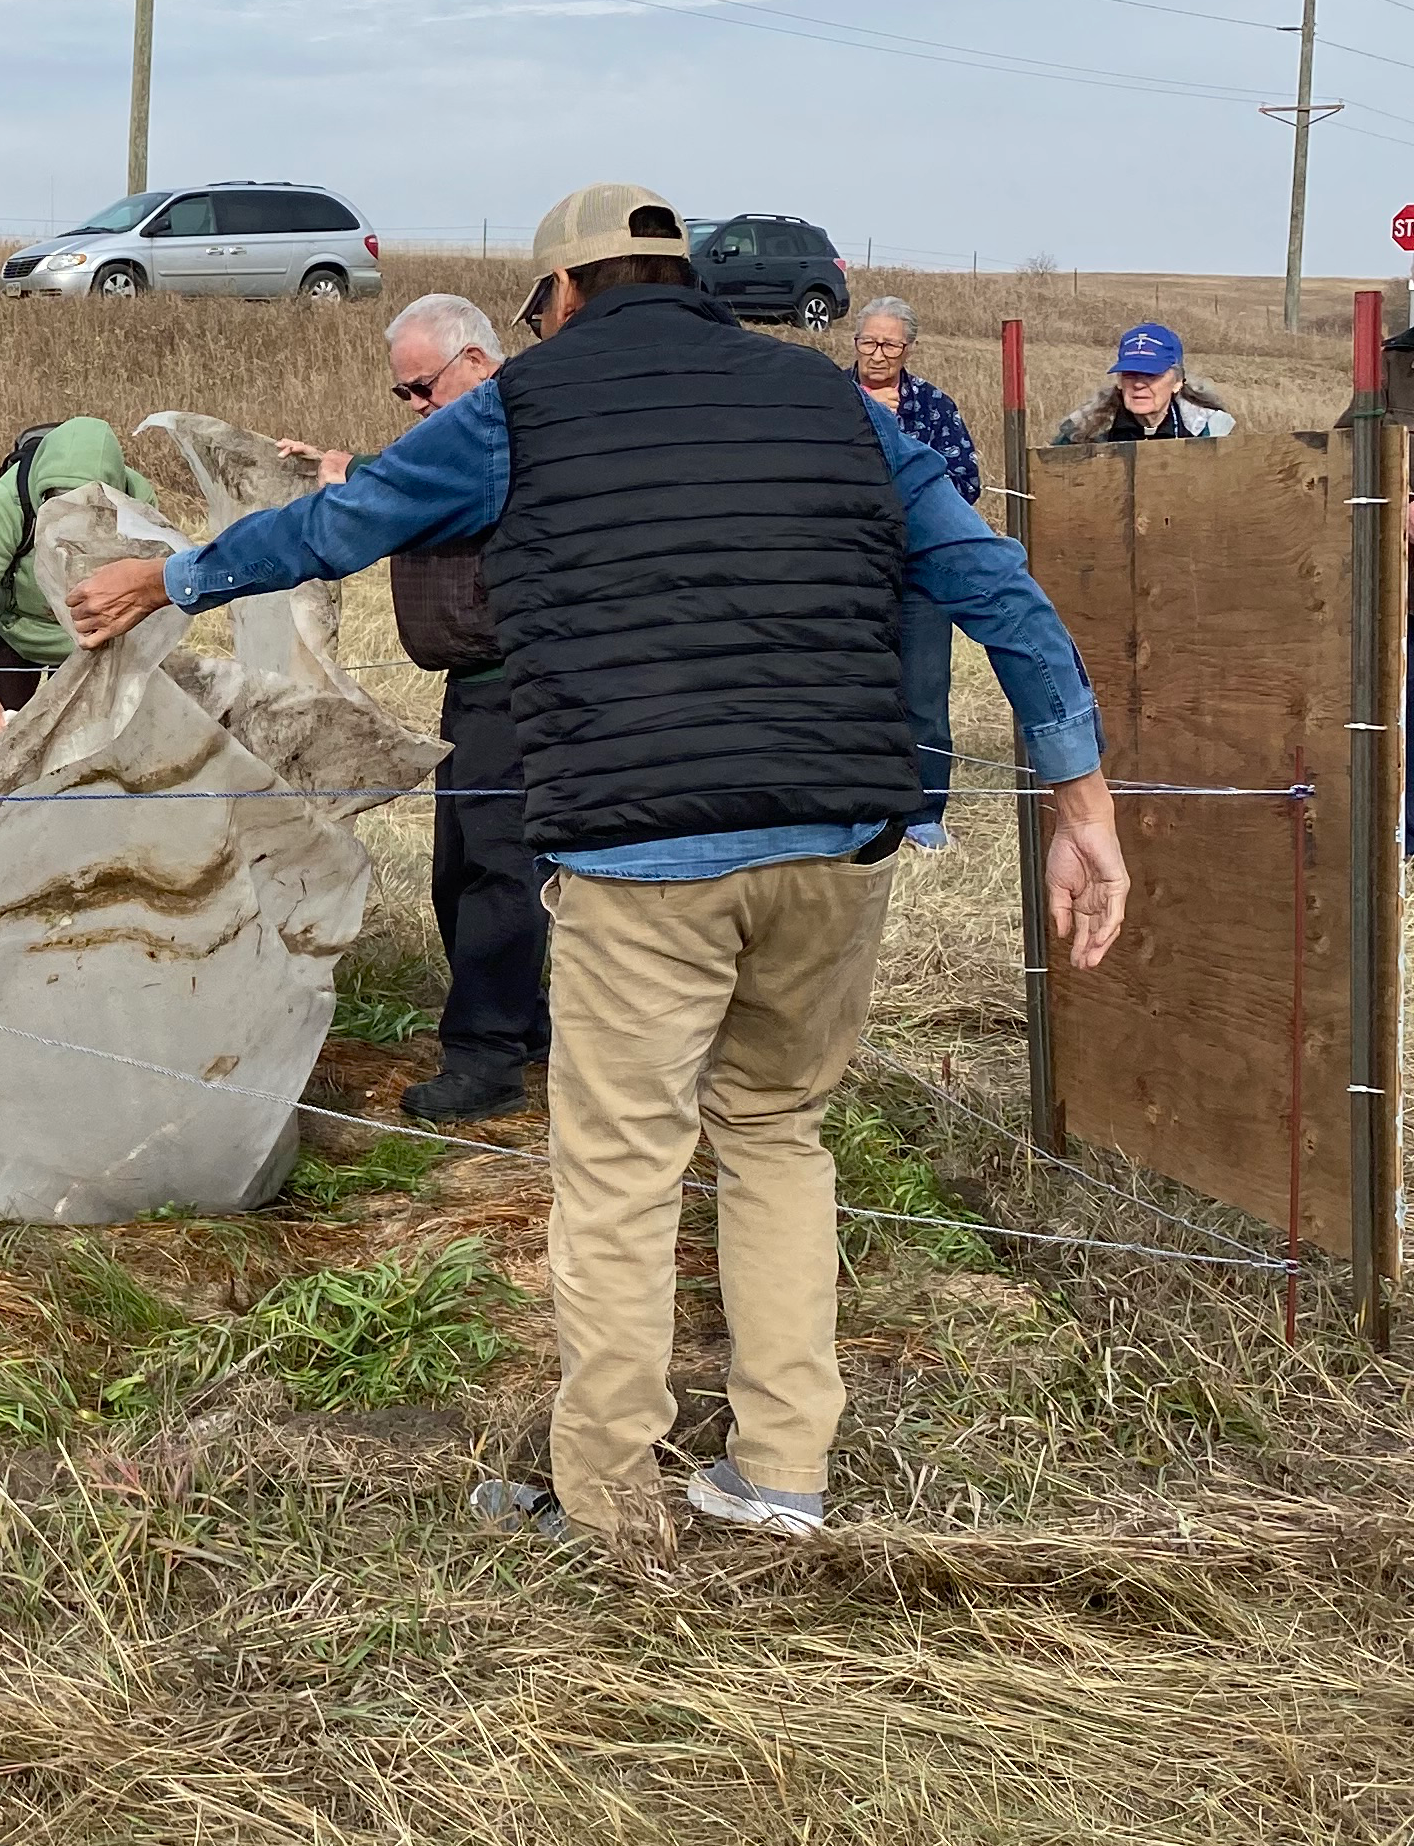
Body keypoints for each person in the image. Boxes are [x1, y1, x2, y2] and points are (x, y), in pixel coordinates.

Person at [68, 181, 1130, 1554]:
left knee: (625, 1166)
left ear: (559, 299)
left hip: (645, 850)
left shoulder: (518, 410)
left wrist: (171, 581)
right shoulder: (846, 415)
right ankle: (783, 1474)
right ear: (682, 280)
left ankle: (614, 1500)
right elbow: (1001, 593)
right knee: (776, 1138)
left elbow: (339, 529)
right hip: (838, 841)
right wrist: (1082, 799)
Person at [276, 294, 549, 1124]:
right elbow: (416, 487)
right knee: (458, 873)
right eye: (404, 396)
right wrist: (351, 469)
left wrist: (355, 486)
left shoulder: (507, 432)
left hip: (521, 683)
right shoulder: (467, 438)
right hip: (474, 687)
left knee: (496, 874)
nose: (417, 405)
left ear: (474, 361)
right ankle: (522, 1029)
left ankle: (486, 1059)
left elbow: (433, 493)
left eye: (422, 388)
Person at [0, 418, 162, 738]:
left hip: (90, 639)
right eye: (57, 503)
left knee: (82, 750)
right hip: (13, 632)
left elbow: (151, 596)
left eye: (84, 505)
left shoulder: (137, 506)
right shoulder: (13, 501)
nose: (68, 516)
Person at [851, 297, 979, 851]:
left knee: (924, 694)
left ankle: (926, 812)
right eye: (868, 342)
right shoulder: (828, 399)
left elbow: (964, 482)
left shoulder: (933, 407)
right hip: (849, 574)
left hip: (921, 575)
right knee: (855, 691)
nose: (877, 355)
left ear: (909, 349)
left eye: (890, 345)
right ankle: (859, 808)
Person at [1052, 323, 1237, 445]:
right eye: (1130, 375)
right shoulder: (1084, 431)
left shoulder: (1209, 431)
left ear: (1177, 382)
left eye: (1151, 375)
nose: (1139, 385)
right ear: (1119, 382)